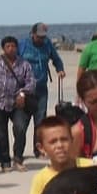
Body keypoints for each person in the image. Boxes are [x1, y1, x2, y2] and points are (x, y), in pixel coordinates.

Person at [0, 36, 36, 172]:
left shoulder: (24, 64)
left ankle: (18, 158)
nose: (11, 49)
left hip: (18, 104)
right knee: (1, 134)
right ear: (3, 48)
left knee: (21, 128)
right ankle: (5, 161)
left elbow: (31, 82)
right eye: (8, 46)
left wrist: (22, 93)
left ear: (17, 48)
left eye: (13, 46)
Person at [19, 23, 68, 153]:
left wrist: (60, 69)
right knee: (22, 124)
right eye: (38, 37)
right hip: (25, 89)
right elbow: (13, 60)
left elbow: (56, 59)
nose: (41, 39)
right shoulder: (23, 44)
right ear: (32, 34)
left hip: (41, 88)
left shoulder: (47, 44)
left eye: (43, 37)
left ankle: (38, 150)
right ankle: (19, 152)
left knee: (40, 122)